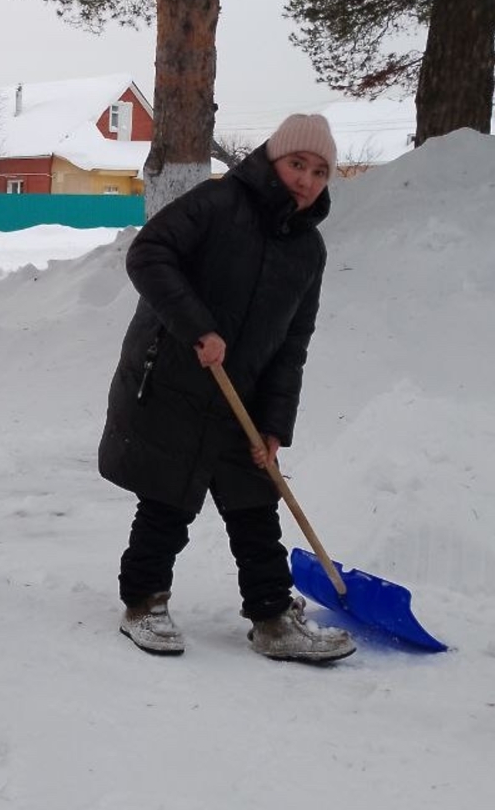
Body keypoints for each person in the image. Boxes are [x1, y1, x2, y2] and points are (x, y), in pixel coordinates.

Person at [98, 113, 356, 663]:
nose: (306, 180)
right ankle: (143, 603)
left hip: (244, 392)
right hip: (173, 377)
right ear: (272, 159)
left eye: (319, 171)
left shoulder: (309, 250)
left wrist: (274, 426)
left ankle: (270, 619)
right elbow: (149, 253)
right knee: (168, 497)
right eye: (296, 164)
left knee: (256, 503)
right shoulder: (219, 204)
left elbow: (293, 344)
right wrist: (199, 328)